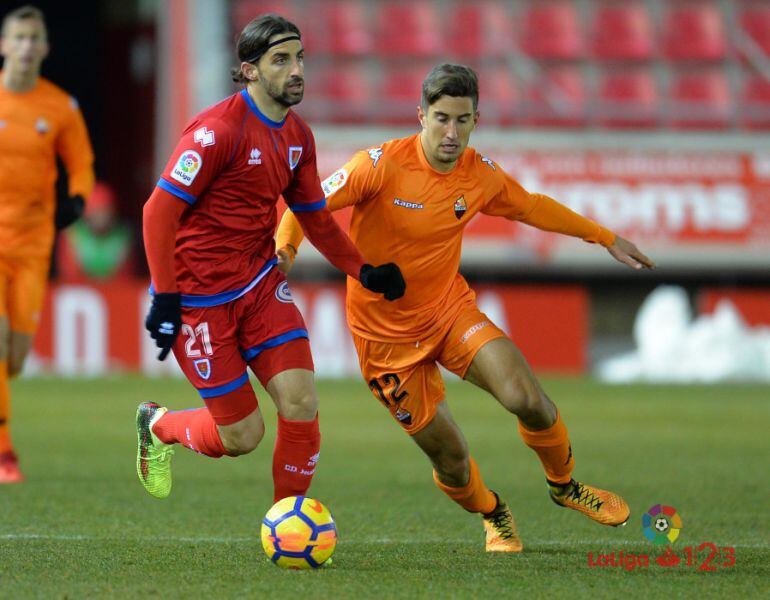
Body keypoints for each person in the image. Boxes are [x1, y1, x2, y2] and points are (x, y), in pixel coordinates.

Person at [275, 63, 655, 552]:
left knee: (527, 398)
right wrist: (285, 252)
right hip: (385, 342)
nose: (451, 133)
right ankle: (493, 511)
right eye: (441, 119)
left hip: (449, 312)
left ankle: (565, 485)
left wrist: (604, 237)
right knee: (450, 459)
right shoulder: (380, 165)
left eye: (462, 120)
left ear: (477, 119)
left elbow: (532, 206)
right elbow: (305, 208)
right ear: (421, 116)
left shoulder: (480, 175)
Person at [137, 14, 405, 502]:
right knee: (243, 436)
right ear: (251, 70)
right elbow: (157, 213)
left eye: (299, 58)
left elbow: (315, 218)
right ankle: (159, 426)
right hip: (197, 300)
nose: (296, 69)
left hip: (259, 284)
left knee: (301, 401)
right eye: (281, 60)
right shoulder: (216, 132)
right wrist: (166, 298)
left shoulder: (298, 136)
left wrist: (362, 270)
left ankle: (288, 520)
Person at [0, 5, 94, 483]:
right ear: (3, 45)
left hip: (34, 243)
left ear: (45, 47)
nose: (26, 46)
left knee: (13, 357)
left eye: (34, 38)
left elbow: (81, 163)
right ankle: (3, 451)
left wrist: (76, 200)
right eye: (18, 37)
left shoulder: (59, 106)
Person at [57, 181, 134, 282]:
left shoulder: (122, 236)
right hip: (80, 293)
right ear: (86, 213)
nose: (101, 217)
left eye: (105, 211)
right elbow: (68, 275)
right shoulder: (72, 235)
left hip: (115, 293)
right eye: (96, 211)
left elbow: (127, 277)